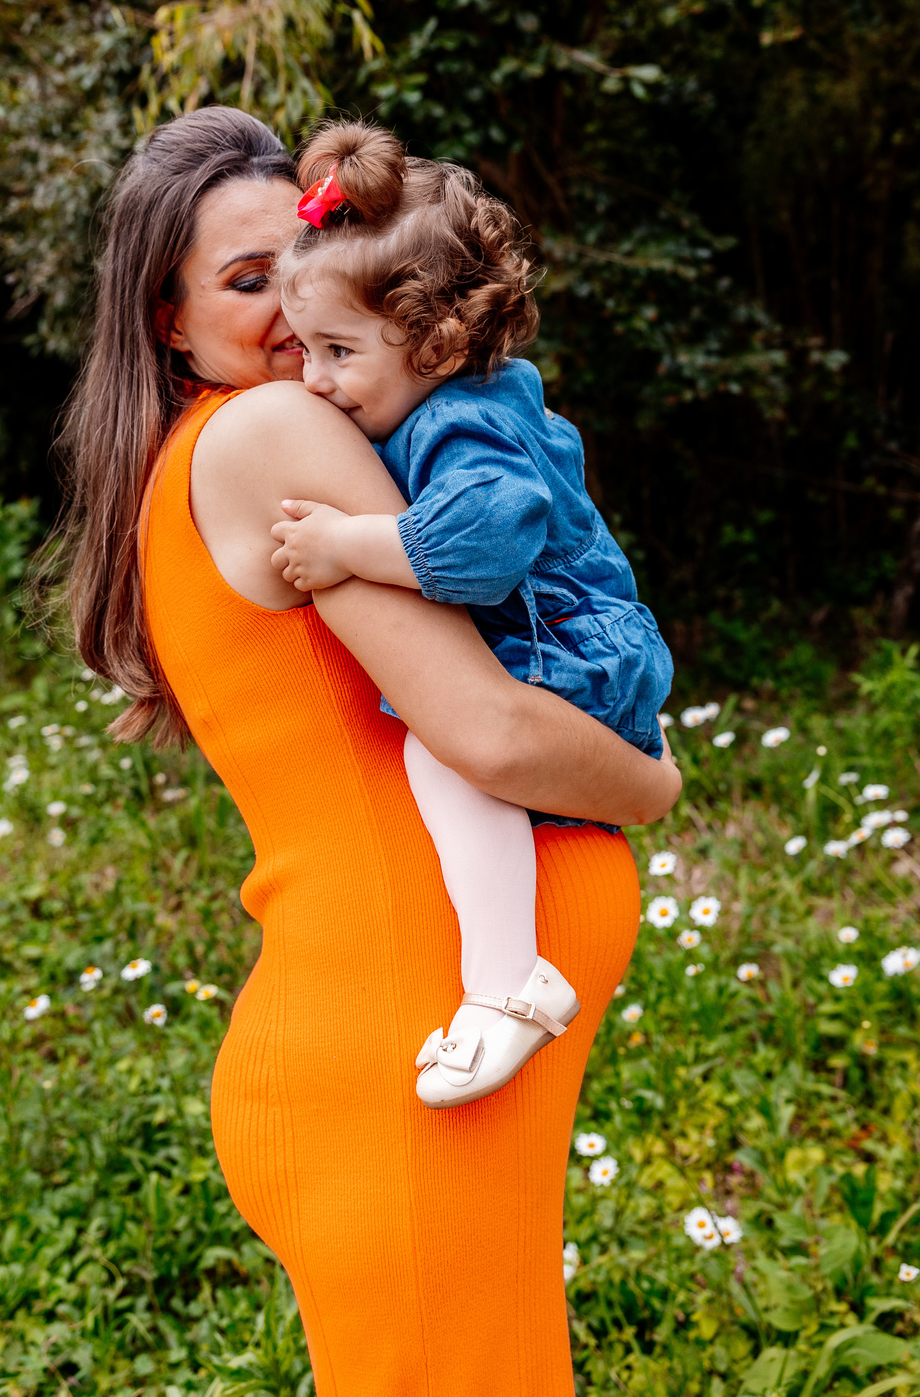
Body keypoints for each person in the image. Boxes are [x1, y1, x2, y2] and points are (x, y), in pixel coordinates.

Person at [60, 106, 681, 1397]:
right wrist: (652, 788)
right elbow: (498, 734)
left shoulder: (208, 455)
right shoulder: (272, 434)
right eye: (244, 286)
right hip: (398, 1050)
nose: (290, 306)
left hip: (406, 1049)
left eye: (299, 258)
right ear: (169, 323)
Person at [270, 121, 673, 1110]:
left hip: (573, 653)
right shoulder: (442, 404)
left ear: (436, 341)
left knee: (438, 749)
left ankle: (508, 986)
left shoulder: (467, 420)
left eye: (337, 351)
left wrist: (342, 548)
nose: (312, 379)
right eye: (307, 349)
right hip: (573, 648)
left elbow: (482, 549)